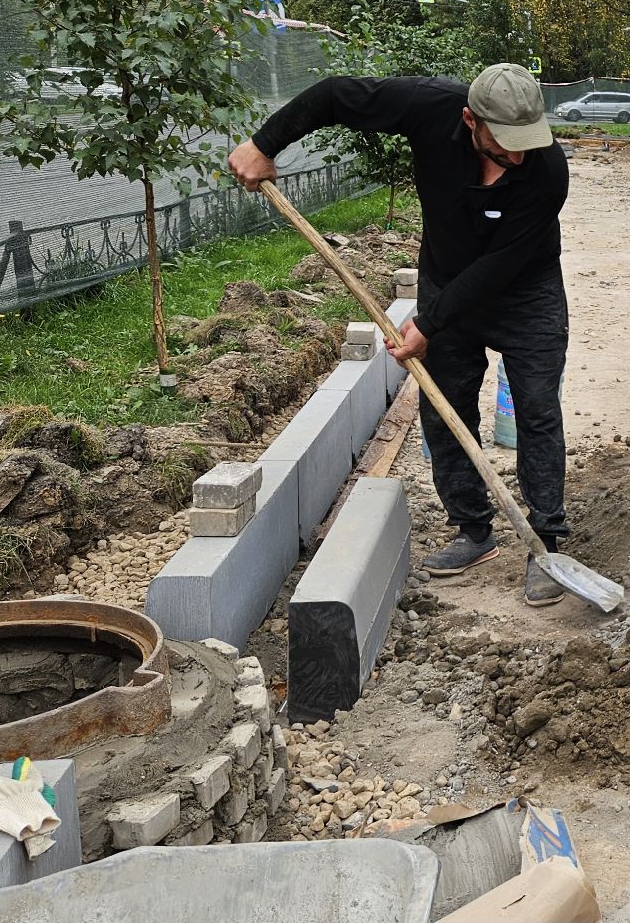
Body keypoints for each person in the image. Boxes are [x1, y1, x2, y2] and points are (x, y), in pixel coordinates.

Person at [226, 63, 572, 607]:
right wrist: (264, 143)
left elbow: (502, 264)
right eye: (505, 145)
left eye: (527, 143)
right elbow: (336, 93)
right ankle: (473, 529)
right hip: (445, 277)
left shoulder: (548, 169)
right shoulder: (428, 107)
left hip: (525, 292)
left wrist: (426, 323)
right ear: (469, 120)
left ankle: (546, 541)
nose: (519, 157)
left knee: (537, 411)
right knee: (445, 405)